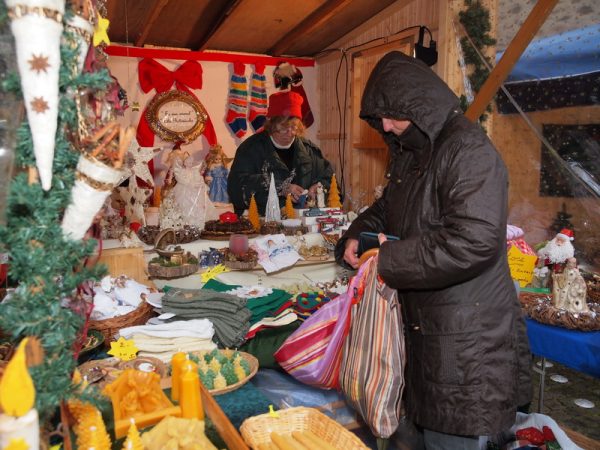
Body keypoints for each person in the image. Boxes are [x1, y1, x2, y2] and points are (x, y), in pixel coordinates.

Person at [335, 51, 532, 448]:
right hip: (428, 324)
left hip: (465, 338)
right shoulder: (412, 151)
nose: (386, 126)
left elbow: (472, 241)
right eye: (381, 118)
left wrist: (388, 260)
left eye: (392, 115)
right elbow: (387, 207)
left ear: (419, 105)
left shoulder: (468, 151)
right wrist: (358, 233)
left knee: (453, 437)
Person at [227, 91, 334, 215]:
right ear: (271, 124)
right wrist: (280, 187)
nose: (289, 133)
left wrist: (319, 188)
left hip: (302, 224)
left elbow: (329, 180)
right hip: (262, 224)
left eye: (294, 127)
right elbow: (236, 188)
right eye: (283, 127)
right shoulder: (250, 149)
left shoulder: (310, 151)